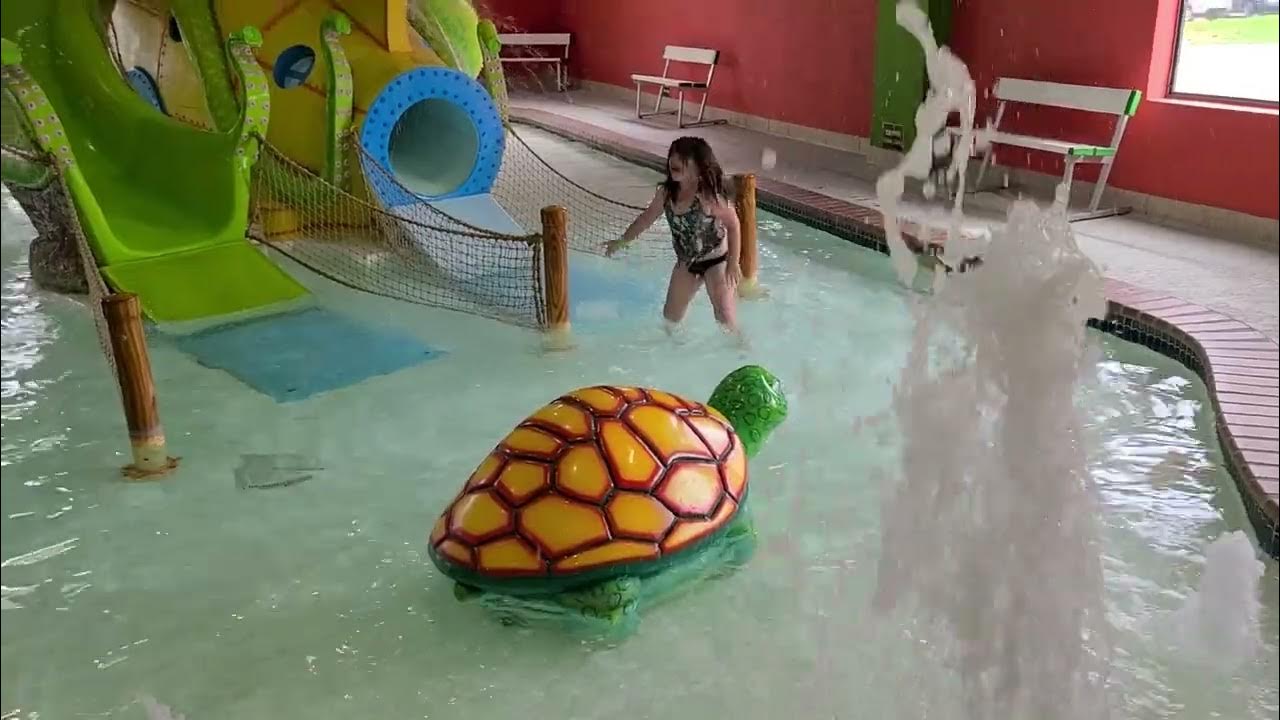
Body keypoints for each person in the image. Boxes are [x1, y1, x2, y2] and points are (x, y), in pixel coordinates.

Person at [605, 136, 741, 334]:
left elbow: (734, 225)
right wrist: (622, 240)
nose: (673, 160)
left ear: (698, 167)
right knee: (670, 320)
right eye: (672, 155)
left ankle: (741, 348)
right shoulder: (666, 194)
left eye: (683, 157)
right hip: (687, 262)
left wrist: (733, 263)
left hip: (716, 261)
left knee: (724, 317)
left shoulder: (709, 197)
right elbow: (646, 218)